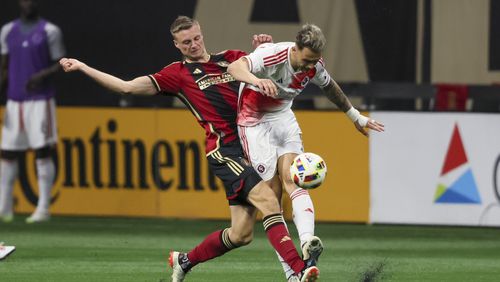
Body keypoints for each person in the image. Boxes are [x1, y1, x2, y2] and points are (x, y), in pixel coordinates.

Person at [59, 16, 319, 282]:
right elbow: (126, 87)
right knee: (269, 200)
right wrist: (83, 67)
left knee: (241, 234)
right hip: (225, 151)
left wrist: (265, 47)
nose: (193, 45)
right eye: (186, 42)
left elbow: (269, 69)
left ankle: (184, 261)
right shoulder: (177, 74)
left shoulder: (231, 58)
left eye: (196, 38)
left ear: (201, 33)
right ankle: (298, 271)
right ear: (177, 45)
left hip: (254, 144)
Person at [228, 23, 385, 280]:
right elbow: (235, 67)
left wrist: (355, 117)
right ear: (296, 47)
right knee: (272, 199)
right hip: (254, 123)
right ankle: (292, 274)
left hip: (283, 118)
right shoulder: (273, 55)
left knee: (294, 177)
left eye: (314, 61)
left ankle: (307, 243)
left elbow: (330, 87)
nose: (309, 67)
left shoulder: (314, 64)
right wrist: (258, 80)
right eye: (306, 60)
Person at [0, 0, 65, 223]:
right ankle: (4, 207)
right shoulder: (8, 30)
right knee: (7, 152)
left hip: (40, 100)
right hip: (14, 100)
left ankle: (43, 207)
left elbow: (61, 63)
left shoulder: (50, 31)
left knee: (42, 150)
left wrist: (41, 76)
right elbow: (5, 66)